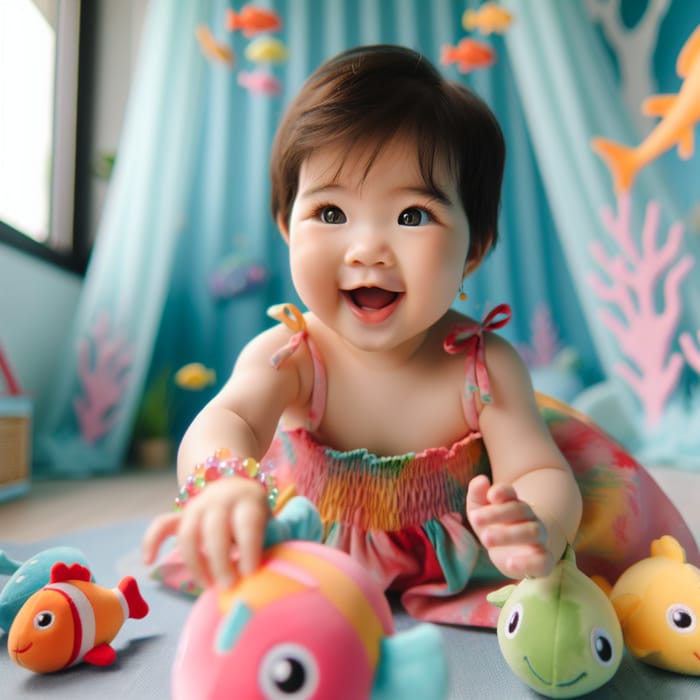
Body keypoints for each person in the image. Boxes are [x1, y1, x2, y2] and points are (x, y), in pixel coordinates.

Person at [143, 45, 698, 627]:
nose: (367, 250)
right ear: (287, 228)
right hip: (305, 542)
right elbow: (228, 419)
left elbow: (538, 471)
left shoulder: (482, 368)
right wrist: (225, 483)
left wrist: (533, 525)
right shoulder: (291, 353)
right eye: (330, 213)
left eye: (413, 215)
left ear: (473, 250)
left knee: (564, 611)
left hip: (456, 563)